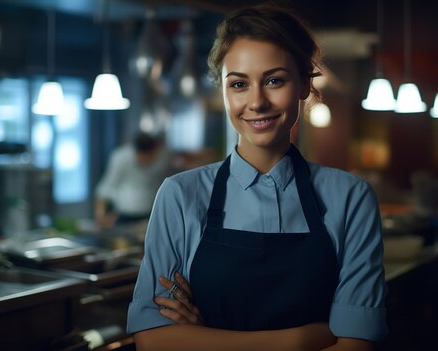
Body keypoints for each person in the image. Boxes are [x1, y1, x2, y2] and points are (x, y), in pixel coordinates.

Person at [127, 4, 387, 350]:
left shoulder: (351, 198)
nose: (256, 102)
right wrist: (301, 339)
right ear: (222, 89)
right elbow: (153, 340)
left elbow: (356, 346)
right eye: (238, 84)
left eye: (274, 80)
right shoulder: (180, 194)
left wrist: (204, 337)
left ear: (304, 85)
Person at [94, 131, 172, 228]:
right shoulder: (121, 158)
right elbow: (106, 188)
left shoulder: (164, 158)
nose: (145, 161)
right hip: (124, 215)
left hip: (151, 214)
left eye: (149, 157)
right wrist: (101, 216)